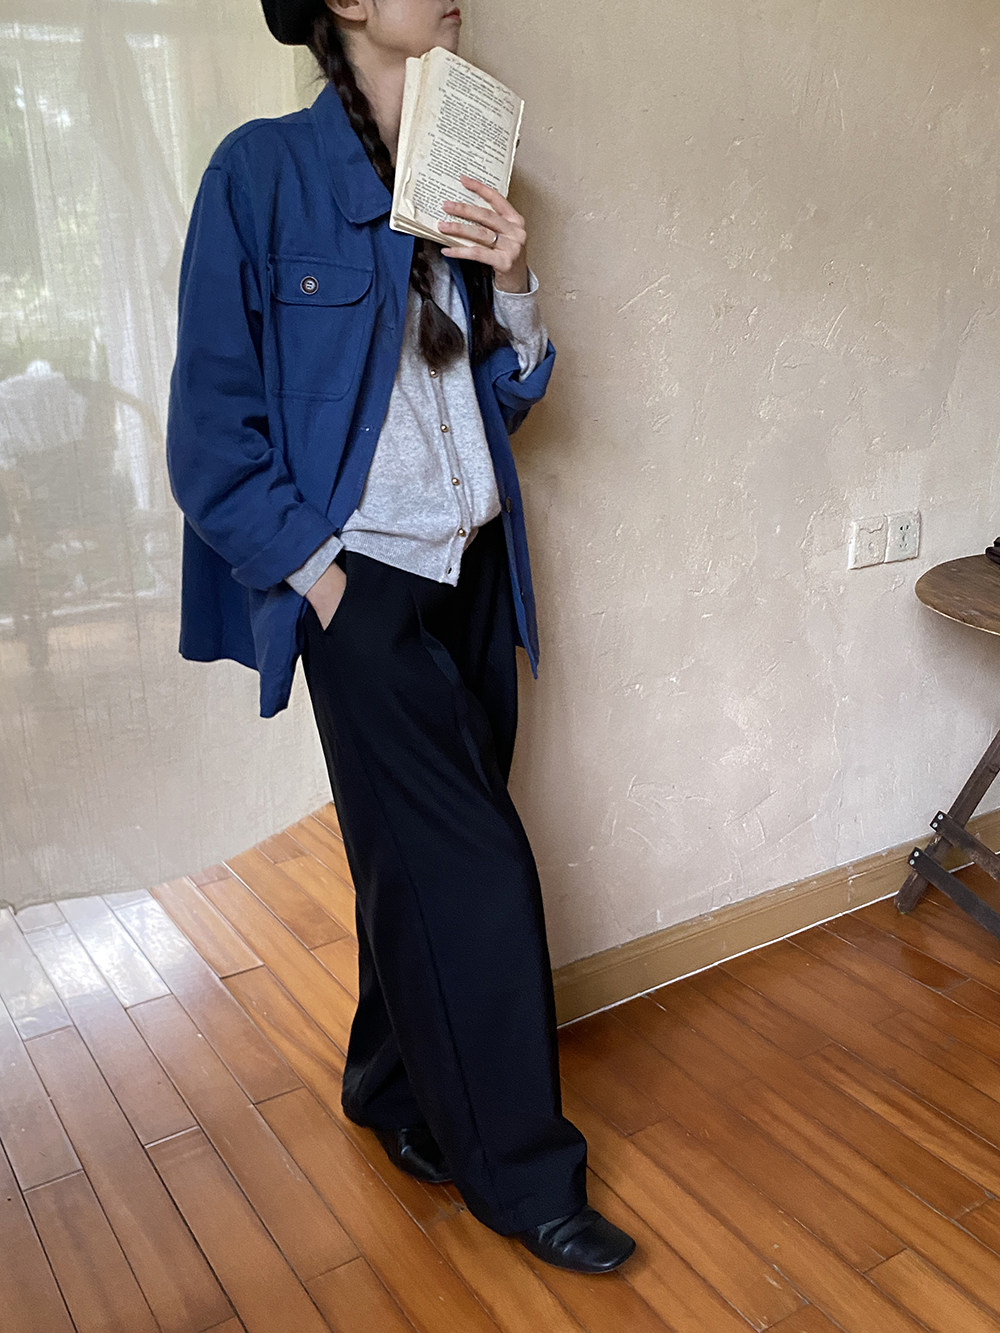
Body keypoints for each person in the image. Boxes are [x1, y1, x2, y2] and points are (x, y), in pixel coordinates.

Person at [165, 0, 636, 1275]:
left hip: (475, 573)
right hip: (363, 590)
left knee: (408, 864)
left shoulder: (458, 160)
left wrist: (515, 281)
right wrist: (326, 587)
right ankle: (525, 1177)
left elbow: (495, 403)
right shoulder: (259, 175)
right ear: (347, 3)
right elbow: (209, 443)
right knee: (478, 877)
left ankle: (387, 1084)